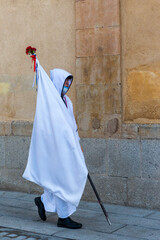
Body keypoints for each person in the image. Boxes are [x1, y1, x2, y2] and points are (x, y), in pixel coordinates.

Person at [23, 61, 88, 229]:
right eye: (65, 81)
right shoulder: (50, 104)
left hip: (69, 147)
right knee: (63, 180)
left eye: (69, 81)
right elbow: (48, 127)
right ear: (58, 81)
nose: (67, 85)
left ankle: (43, 201)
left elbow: (72, 125)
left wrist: (77, 143)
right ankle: (63, 217)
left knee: (61, 179)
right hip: (56, 149)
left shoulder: (67, 102)